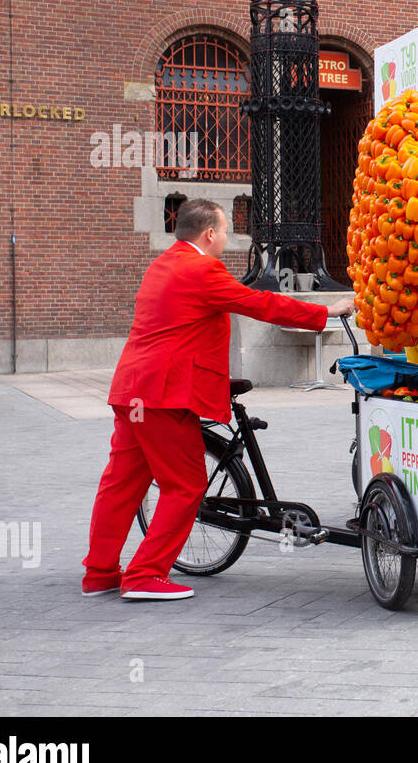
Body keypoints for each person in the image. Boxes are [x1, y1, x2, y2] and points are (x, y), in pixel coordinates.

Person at [83, 199, 355, 602]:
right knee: (186, 485)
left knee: (121, 485)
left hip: (132, 390)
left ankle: (100, 574)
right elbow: (259, 303)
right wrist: (326, 311)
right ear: (209, 233)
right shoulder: (201, 269)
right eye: (225, 231)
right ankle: (144, 575)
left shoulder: (161, 264)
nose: (227, 239)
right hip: (165, 395)